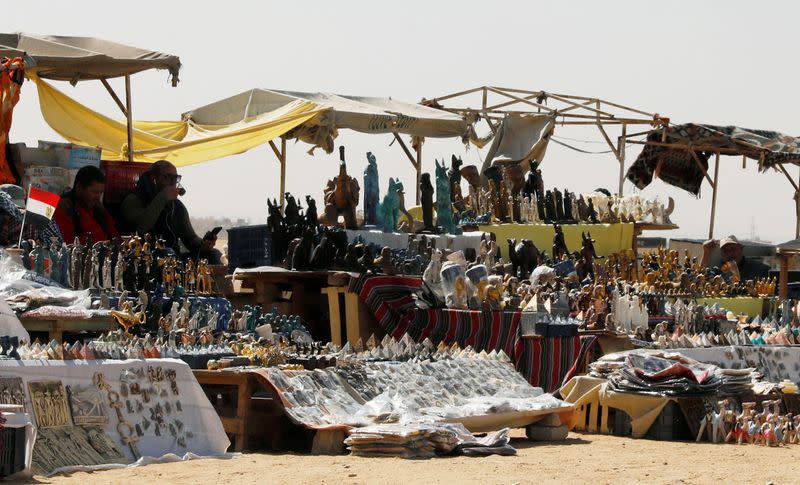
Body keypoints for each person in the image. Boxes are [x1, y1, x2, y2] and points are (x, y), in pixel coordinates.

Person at [121, 160, 220, 263]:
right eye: (167, 177)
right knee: (168, 253)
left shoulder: (176, 206)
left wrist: (203, 244)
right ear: (153, 179)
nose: (173, 182)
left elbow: (190, 238)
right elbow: (141, 227)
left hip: (174, 258)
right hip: (145, 259)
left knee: (215, 255)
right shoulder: (134, 200)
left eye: (175, 178)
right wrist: (162, 197)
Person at [54, 166, 119, 244]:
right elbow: (66, 242)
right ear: (79, 187)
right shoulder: (64, 208)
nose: (98, 197)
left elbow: (114, 235)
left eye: (100, 193)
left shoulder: (98, 208)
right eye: (94, 192)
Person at [701, 235, 770, 281]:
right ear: (721, 254)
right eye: (725, 250)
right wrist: (706, 253)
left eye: (733, 249)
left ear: (741, 249)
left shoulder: (758, 268)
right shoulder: (719, 270)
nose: (729, 253)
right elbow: (701, 278)